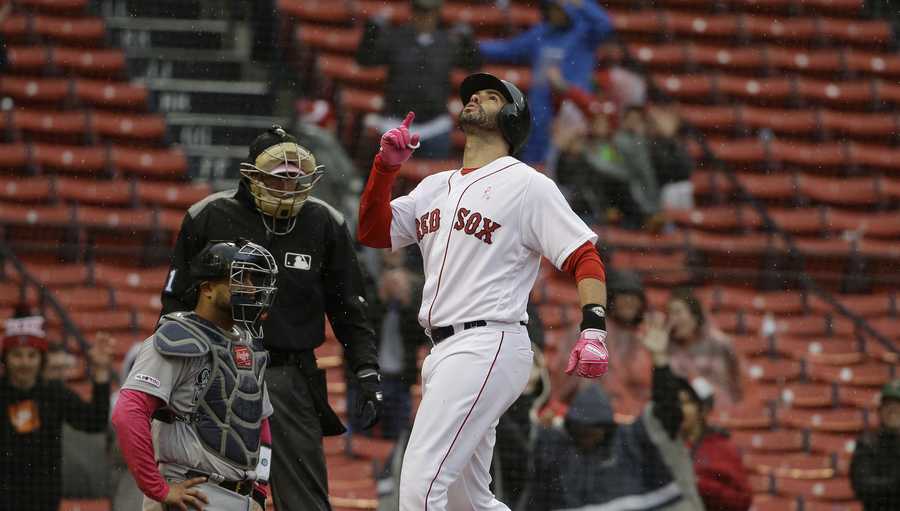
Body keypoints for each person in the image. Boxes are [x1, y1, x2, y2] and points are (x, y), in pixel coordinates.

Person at [358, 71, 610, 510]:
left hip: (488, 340)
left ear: (512, 116)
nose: (474, 98)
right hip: (442, 350)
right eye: (472, 95)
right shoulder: (434, 186)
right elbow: (374, 231)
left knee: (419, 485)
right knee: (468, 500)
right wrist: (385, 169)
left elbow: (583, 255)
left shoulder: (528, 184)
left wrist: (593, 329)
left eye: (491, 96)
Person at [160, 126, 383, 510]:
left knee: (305, 501)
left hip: (289, 374)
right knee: (213, 491)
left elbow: (349, 307)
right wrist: (171, 376)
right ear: (250, 174)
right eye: (278, 176)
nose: (288, 185)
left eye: (296, 177)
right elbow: (174, 305)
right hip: (216, 369)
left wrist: (365, 369)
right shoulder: (208, 215)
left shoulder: (325, 222)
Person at [114, 240, 278, 511]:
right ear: (208, 289)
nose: (250, 288)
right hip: (194, 493)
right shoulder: (177, 338)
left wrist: (259, 489)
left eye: (252, 279)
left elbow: (260, 424)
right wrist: (158, 489)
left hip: (243, 498)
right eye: (238, 278)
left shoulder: (248, 345)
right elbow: (128, 412)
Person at [530, 318, 704, 511]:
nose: (588, 436)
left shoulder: (632, 442)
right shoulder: (557, 451)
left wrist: (660, 358)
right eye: (582, 429)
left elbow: (667, 411)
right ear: (572, 427)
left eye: (594, 429)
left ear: (607, 427)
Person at [0, 310, 114, 511]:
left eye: (31, 355)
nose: (24, 363)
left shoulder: (54, 393)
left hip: (44, 502)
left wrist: (101, 372)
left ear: (41, 359)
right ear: (6, 359)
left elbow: (94, 422)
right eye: (17, 355)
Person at [479, 0, 614, 163]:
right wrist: (477, 46)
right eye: (551, 9)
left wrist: (580, 3)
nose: (555, 14)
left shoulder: (584, 33)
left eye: (559, 9)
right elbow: (509, 48)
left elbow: (605, 25)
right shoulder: (540, 34)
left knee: (571, 161)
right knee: (535, 164)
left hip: (573, 108)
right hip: (540, 109)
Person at [356, 0, 481, 158]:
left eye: (429, 11)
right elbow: (365, 61)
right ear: (412, 12)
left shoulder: (448, 41)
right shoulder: (395, 38)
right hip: (395, 123)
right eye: (419, 10)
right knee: (387, 176)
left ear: (437, 13)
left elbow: (473, 66)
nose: (424, 16)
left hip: (435, 125)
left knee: (436, 180)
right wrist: (370, 33)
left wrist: (469, 42)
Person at [348, 248, 429, 439]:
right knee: (363, 435)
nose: (392, 253)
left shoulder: (417, 286)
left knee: (397, 437)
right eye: (387, 249)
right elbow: (360, 326)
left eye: (397, 249)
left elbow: (421, 334)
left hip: (401, 377)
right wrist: (381, 300)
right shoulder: (368, 281)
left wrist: (407, 304)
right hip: (372, 375)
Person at [551, 269, 653, 415]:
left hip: (638, 420)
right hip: (594, 417)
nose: (629, 302)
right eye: (623, 295)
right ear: (611, 298)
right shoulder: (590, 329)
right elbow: (567, 382)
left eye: (634, 297)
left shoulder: (648, 336)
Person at [679, 376, 752, 511]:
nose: (680, 410)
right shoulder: (664, 445)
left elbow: (742, 501)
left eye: (687, 403)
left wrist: (699, 485)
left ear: (704, 409)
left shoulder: (722, 448)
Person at [666, 289, 742, 407]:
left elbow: (739, 377)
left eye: (677, 312)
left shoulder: (720, 343)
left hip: (721, 409)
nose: (672, 319)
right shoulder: (667, 347)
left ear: (695, 316)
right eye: (669, 313)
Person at [850, 379, 900, 511]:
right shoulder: (867, 444)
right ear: (880, 410)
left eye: (897, 406)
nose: (893, 411)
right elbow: (863, 487)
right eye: (888, 405)